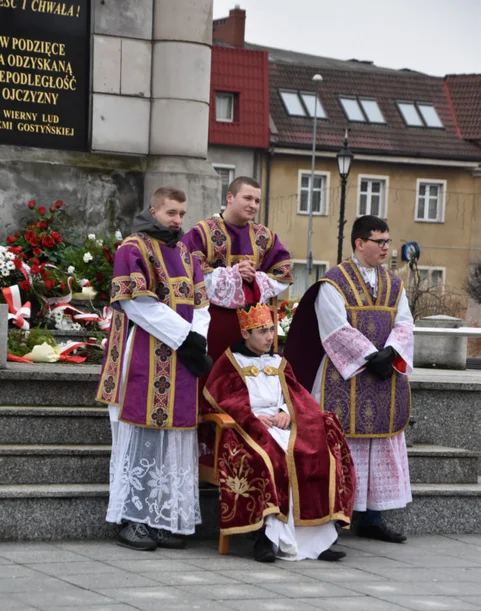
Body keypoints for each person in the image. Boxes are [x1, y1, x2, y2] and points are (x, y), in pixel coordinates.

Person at [285, 215, 413, 543]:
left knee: (380, 446)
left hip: (384, 376)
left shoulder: (394, 285)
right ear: (360, 243)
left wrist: (392, 352)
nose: (386, 247)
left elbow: (405, 324)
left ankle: (373, 517)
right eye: (379, 241)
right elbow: (334, 327)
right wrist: (370, 357)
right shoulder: (334, 282)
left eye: (388, 241)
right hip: (346, 378)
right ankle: (334, 517)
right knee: (343, 446)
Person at [96, 187, 212, 551]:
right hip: (143, 352)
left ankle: (163, 518)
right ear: (154, 210)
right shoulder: (133, 248)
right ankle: (132, 520)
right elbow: (138, 305)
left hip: (182, 358)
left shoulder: (185, 253)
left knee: (174, 439)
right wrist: (186, 338)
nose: (178, 220)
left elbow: (202, 302)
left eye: (182, 213)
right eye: (171, 213)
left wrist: (197, 338)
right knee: (141, 438)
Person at [203, 302, 356, 563]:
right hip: (246, 429)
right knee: (270, 459)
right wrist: (252, 417)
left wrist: (288, 410)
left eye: (271, 330)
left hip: (284, 425)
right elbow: (224, 398)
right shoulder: (229, 362)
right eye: (262, 331)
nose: (269, 337)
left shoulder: (279, 362)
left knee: (316, 453)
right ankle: (265, 537)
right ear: (246, 334)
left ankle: (319, 540)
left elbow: (297, 394)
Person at [182, 176, 293, 363]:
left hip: (253, 331)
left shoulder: (264, 236)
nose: (253, 205)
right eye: (247, 198)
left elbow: (283, 274)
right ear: (230, 197)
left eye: (257, 201)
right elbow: (191, 276)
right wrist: (233, 275)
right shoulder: (202, 232)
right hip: (212, 324)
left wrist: (255, 278)